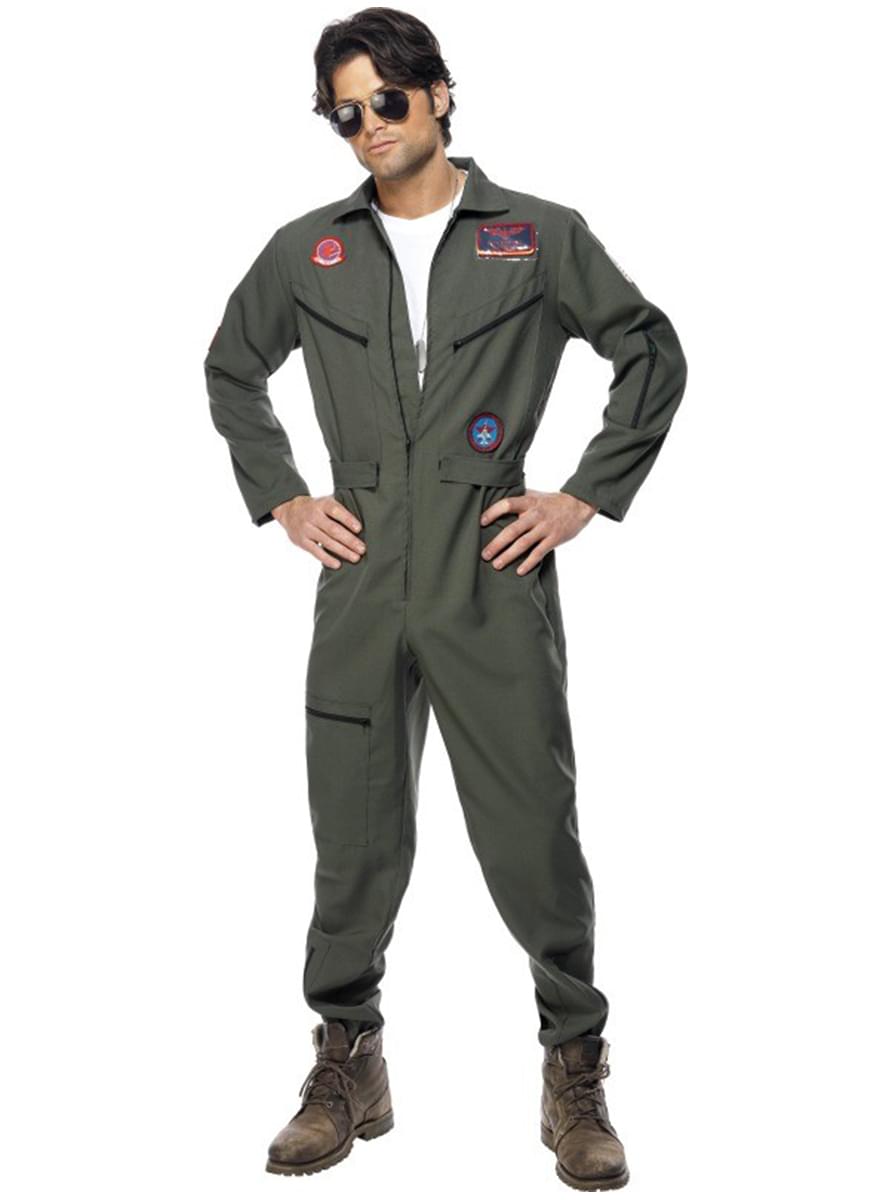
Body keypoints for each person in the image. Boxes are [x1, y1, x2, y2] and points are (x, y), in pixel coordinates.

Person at [204, 7, 687, 1190]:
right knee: (352, 837)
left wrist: (583, 496)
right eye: (343, 112)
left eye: (385, 100)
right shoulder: (306, 250)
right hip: (360, 577)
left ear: (438, 94)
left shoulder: (538, 235)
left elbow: (649, 352)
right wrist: (284, 498)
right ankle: (347, 1058)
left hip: (491, 571)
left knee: (531, 828)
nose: (367, 126)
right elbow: (230, 368)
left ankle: (574, 1069)